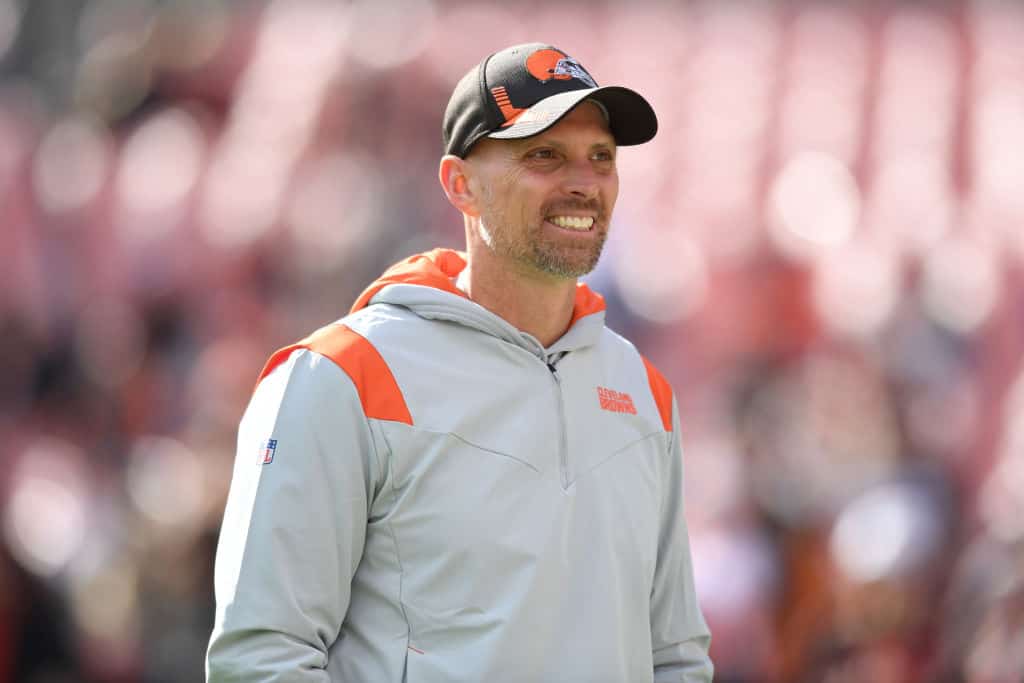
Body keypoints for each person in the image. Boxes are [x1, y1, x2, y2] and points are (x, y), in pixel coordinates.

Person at [206, 43, 713, 682]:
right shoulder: (338, 377)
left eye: (601, 157)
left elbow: (674, 656)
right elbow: (262, 658)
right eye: (544, 155)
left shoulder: (644, 392)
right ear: (459, 184)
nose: (583, 181)